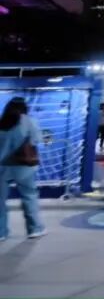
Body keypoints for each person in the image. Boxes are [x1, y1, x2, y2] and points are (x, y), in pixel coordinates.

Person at [0, 97, 46, 241]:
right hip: (24, 167)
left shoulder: (2, 122)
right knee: (29, 196)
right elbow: (36, 140)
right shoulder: (29, 121)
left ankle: (1, 232)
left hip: (2, 167)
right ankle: (34, 229)